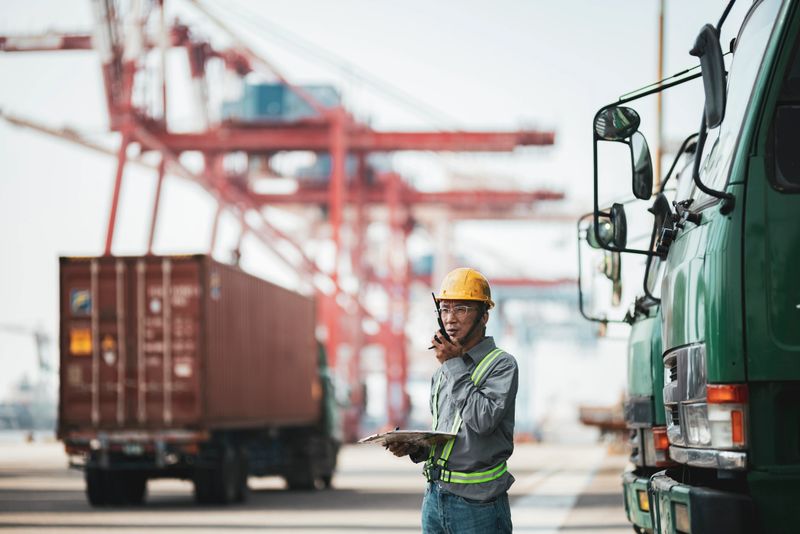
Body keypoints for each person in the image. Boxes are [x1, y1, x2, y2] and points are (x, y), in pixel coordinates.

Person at [387, 267, 518, 534]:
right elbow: (449, 439)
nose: (450, 319)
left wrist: (453, 364)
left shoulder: (501, 365)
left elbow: (482, 421)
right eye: (445, 310)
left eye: (461, 309)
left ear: (484, 315)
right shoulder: (444, 370)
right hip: (436, 498)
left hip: (478, 505)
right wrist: (415, 448)